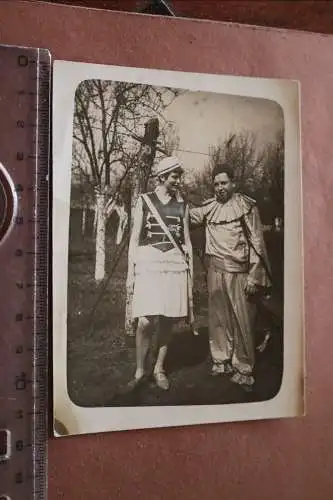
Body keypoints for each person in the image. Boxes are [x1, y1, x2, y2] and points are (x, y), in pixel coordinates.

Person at [190, 164, 271, 390]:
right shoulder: (209, 207)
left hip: (239, 272)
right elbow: (186, 216)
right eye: (216, 184)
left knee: (242, 320)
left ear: (233, 183)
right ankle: (221, 360)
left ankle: (244, 367)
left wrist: (255, 276)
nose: (219, 188)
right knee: (217, 318)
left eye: (223, 183)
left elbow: (257, 242)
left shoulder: (246, 206)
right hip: (214, 270)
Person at [126, 156, 193, 391]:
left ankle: (159, 369)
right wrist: (130, 273)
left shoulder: (183, 205)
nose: (178, 180)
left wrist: (190, 271)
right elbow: (134, 239)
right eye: (175, 176)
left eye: (179, 176)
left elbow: (187, 241)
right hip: (149, 262)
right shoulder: (144, 201)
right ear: (162, 176)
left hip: (174, 264)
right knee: (144, 321)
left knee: (167, 319)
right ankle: (139, 371)